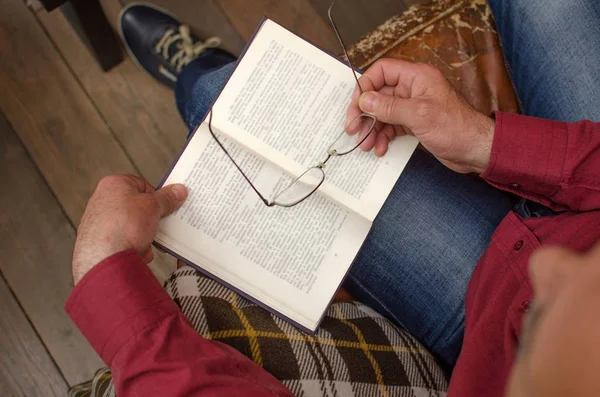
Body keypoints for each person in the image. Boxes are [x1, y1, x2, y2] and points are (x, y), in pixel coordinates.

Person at [67, 1, 600, 396]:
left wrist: (106, 272)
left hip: (479, 311)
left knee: (221, 96)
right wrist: (484, 143)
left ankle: (194, 73)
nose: (551, 266)